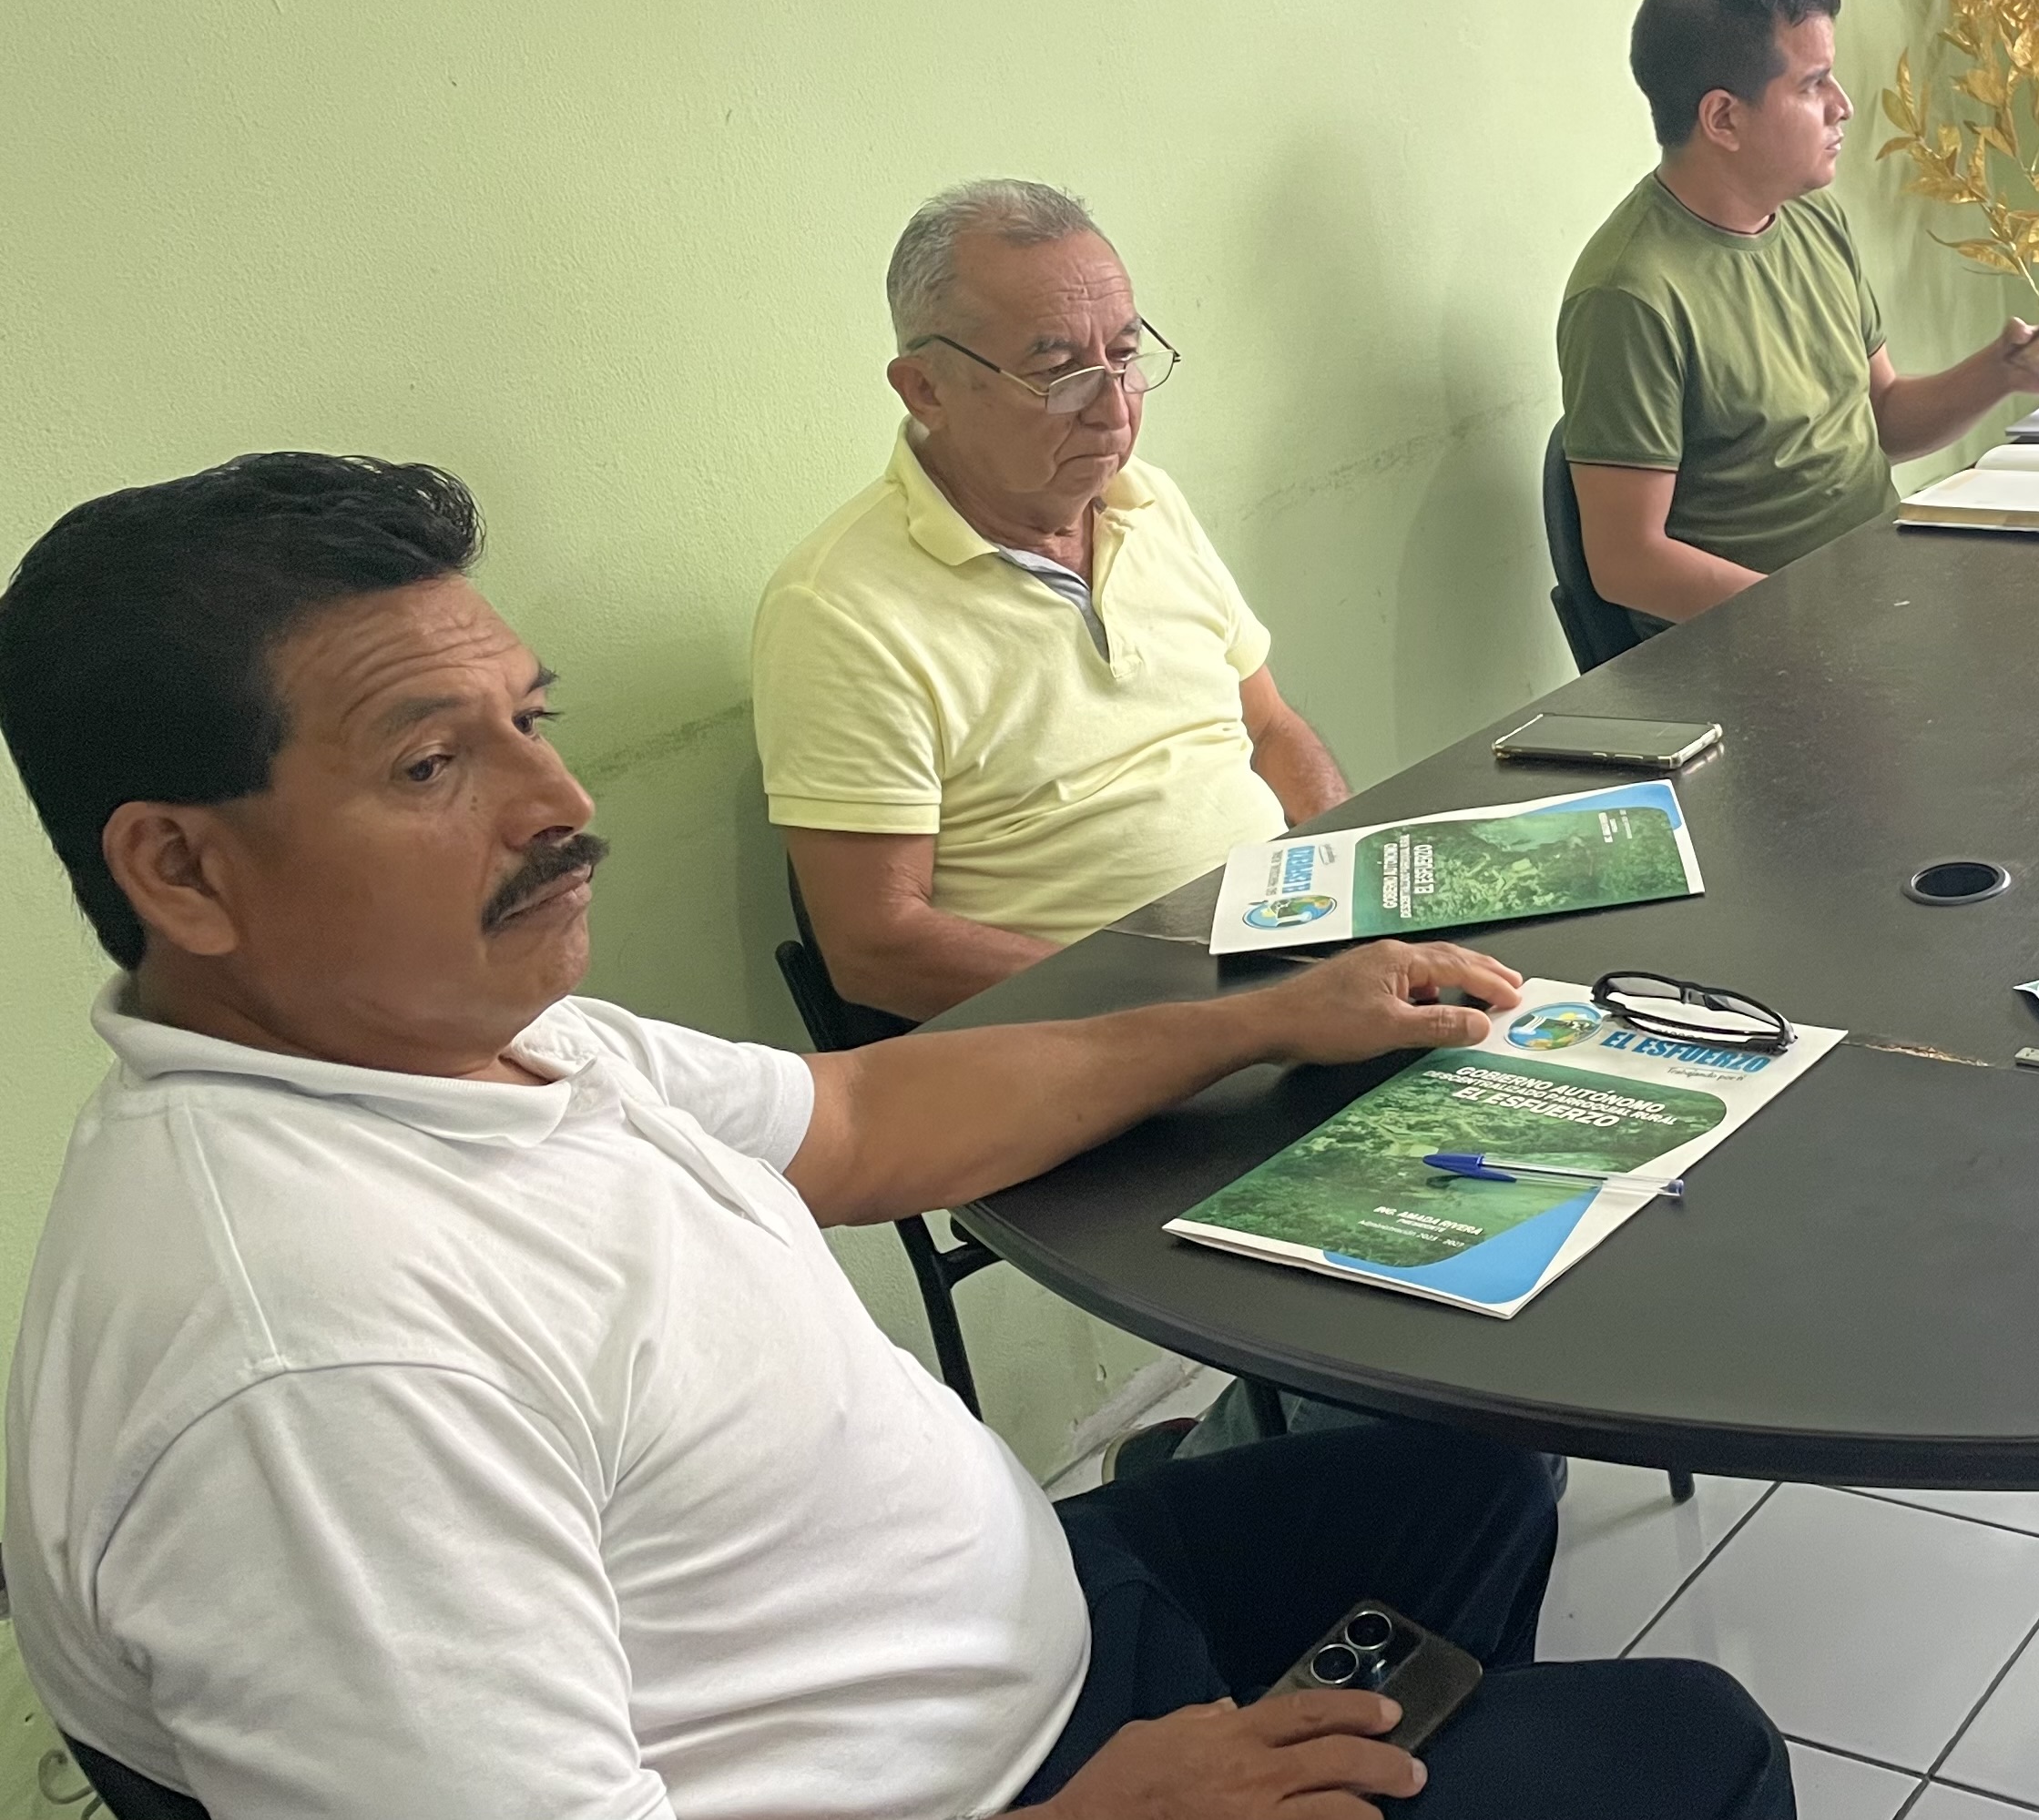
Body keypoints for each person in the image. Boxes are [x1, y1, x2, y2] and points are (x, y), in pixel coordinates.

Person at [0, 453, 1793, 1820]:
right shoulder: (310, 1365)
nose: (560, 800)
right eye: (428, 765)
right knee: (1688, 1748)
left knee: (1459, 1469)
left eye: (528, 721)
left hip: (1020, 1626)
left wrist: (1259, 1016)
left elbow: (855, 1116)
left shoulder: (469, 1038)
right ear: (182, 867)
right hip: (1008, 1781)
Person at [755, 179, 1347, 1022]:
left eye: (1126, 356)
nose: (1113, 412)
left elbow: (1272, 727)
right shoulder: (839, 608)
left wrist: (1359, 888)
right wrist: (1204, 1007)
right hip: (1102, 1031)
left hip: (1283, 961)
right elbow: (876, 949)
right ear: (925, 389)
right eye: (1058, 372)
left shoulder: (1149, 501)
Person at [1556, 0, 2039, 628]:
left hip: (1882, 596)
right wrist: (1822, 621)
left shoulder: (1812, 218)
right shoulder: (1628, 296)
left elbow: (1882, 417)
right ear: (1723, 118)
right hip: (1762, 646)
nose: (1843, 105)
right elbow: (1628, 563)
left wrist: (2006, 371)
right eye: (1811, 84)